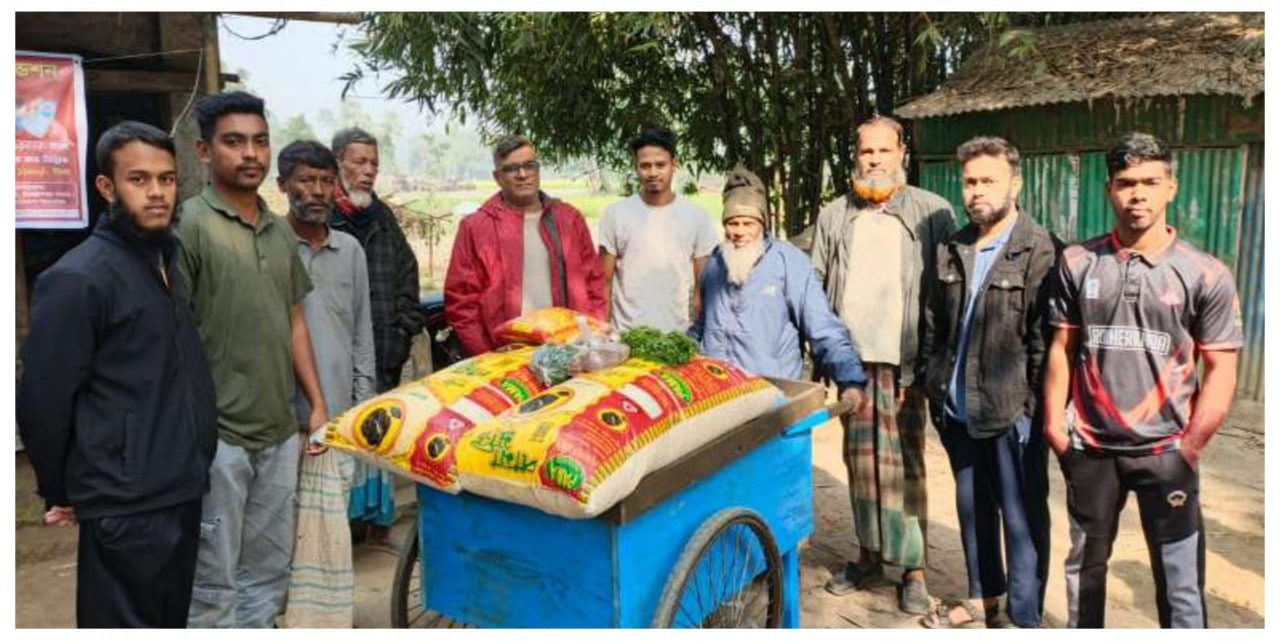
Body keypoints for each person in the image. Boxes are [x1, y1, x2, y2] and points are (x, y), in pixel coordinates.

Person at [17, 121, 218, 627]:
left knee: (169, 621)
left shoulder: (162, 262)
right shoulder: (79, 278)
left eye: (167, 180)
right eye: (139, 179)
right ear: (106, 187)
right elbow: (44, 401)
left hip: (180, 486)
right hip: (126, 501)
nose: (157, 193)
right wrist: (60, 489)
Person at [1044, 132, 1242, 628]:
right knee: (1085, 571)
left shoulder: (1205, 274)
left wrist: (1191, 446)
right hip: (1091, 451)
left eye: (1151, 182)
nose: (1138, 195)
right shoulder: (1077, 262)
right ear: (1108, 189)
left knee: (1179, 582)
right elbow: (1061, 349)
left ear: (1171, 187)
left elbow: (1221, 368)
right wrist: (1055, 427)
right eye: (1126, 183)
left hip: (1165, 453)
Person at [176, 91, 329, 628]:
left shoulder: (275, 229)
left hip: (279, 431)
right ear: (203, 151)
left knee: (267, 573)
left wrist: (315, 403)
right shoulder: (189, 226)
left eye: (260, 142)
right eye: (234, 142)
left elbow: (293, 319)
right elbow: (173, 335)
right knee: (213, 578)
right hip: (218, 438)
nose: (251, 154)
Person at [810, 115, 955, 614]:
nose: (873, 161)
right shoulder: (835, 215)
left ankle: (912, 570)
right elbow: (815, 287)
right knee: (860, 463)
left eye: (883, 152)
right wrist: (825, 362)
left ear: (902, 155)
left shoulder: (931, 213)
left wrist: (927, 368)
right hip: (853, 365)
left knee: (906, 464)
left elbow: (943, 295)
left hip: (906, 363)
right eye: (865, 152)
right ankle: (869, 556)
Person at [919, 136, 1056, 628]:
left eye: (988, 181)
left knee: (1021, 517)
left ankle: (1024, 615)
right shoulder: (952, 247)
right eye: (970, 181)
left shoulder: (1038, 250)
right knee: (973, 506)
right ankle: (984, 596)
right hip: (957, 409)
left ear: (1014, 183)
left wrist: (1032, 416)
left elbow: (1046, 344)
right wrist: (934, 389)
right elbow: (935, 323)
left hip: (1009, 412)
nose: (976, 191)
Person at [276, 140, 377, 627]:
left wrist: (362, 405)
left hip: (335, 420)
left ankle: (321, 623)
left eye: (323, 181)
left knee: (328, 535)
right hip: (278, 421)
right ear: (283, 187)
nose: (316, 191)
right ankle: (282, 619)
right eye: (305, 180)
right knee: (279, 536)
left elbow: (361, 333)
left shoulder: (349, 250)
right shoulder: (269, 244)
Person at [691, 165, 866, 413]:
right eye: (732, 223)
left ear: (763, 224)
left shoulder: (790, 264)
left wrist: (850, 380)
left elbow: (822, 326)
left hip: (772, 400)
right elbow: (702, 327)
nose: (739, 232)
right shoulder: (716, 263)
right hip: (717, 397)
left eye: (747, 223)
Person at [444, 134, 606, 356]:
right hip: (505, 353)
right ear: (497, 177)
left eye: (529, 165)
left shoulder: (569, 219)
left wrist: (591, 335)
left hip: (570, 348)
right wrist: (484, 355)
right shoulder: (476, 227)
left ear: (538, 169)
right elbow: (462, 302)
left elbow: (594, 282)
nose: (522, 174)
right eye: (512, 168)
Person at [326, 127, 411, 544]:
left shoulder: (382, 217)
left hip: (382, 353)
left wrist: (401, 332)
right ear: (338, 161)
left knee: (375, 441)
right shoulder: (323, 218)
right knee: (337, 445)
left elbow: (407, 276)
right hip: (332, 359)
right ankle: (337, 534)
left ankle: (373, 526)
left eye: (374, 163)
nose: (368, 171)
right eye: (359, 162)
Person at [598, 126, 718, 332]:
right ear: (635, 167)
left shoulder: (698, 217)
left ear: (674, 164)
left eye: (660, 165)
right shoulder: (615, 215)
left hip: (678, 336)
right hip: (627, 335)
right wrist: (603, 332)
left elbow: (701, 289)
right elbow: (604, 283)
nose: (653, 172)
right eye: (645, 166)